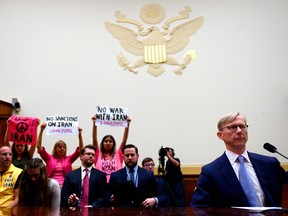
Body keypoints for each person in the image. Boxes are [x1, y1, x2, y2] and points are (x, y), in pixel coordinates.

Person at [191, 112, 288, 207]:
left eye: (242, 126)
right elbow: (199, 208)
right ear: (220, 135)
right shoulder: (211, 171)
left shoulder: (269, 164)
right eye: (232, 127)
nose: (239, 131)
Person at [37, 122, 83, 188]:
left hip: (65, 185)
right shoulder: (49, 158)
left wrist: (80, 135)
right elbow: (39, 147)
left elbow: (81, 150)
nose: (62, 148)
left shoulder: (69, 159)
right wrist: (41, 130)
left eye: (64, 147)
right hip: (50, 185)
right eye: (60, 147)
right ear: (55, 148)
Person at [92, 115, 131, 182]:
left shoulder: (118, 154)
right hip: (100, 183)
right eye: (106, 141)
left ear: (113, 144)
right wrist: (94, 123)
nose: (108, 143)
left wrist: (127, 125)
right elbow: (94, 139)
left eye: (110, 141)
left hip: (116, 183)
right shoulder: (98, 154)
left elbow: (124, 140)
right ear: (102, 143)